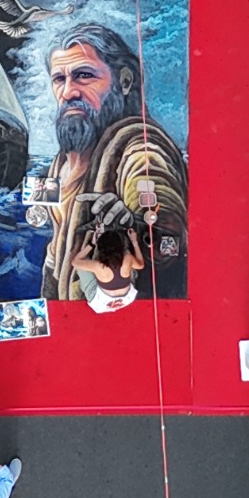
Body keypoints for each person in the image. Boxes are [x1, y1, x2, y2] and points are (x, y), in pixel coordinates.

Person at [37, 23, 187, 301]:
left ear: (125, 81)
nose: (69, 92)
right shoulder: (62, 163)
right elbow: (56, 253)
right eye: (59, 79)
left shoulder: (140, 152)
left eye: (84, 76)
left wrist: (133, 227)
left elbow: (171, 241)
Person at [71, 226, 144, 313]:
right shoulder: (127, 258)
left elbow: (75, 262)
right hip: (126, 299)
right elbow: (141, 265)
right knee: (129, 259)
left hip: (101, 303)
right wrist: (134, 242)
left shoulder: (98, 266)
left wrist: (92, 243)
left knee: (83, 263)